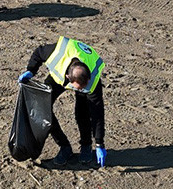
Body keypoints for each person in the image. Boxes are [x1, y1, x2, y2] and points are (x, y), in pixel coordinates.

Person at [18, 36, 107, 167]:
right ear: (68, 78)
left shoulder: (91, 81)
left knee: (82, 112)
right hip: (57, 77)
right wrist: (31, 70)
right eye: (79, 88)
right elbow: (38, 52)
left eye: (84, 87)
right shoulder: (56, 54)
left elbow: (97, 114)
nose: (82, 89)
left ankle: (86, 145)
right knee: (42, 108)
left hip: (81, 75)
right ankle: (64, 146)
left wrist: (99, 143)